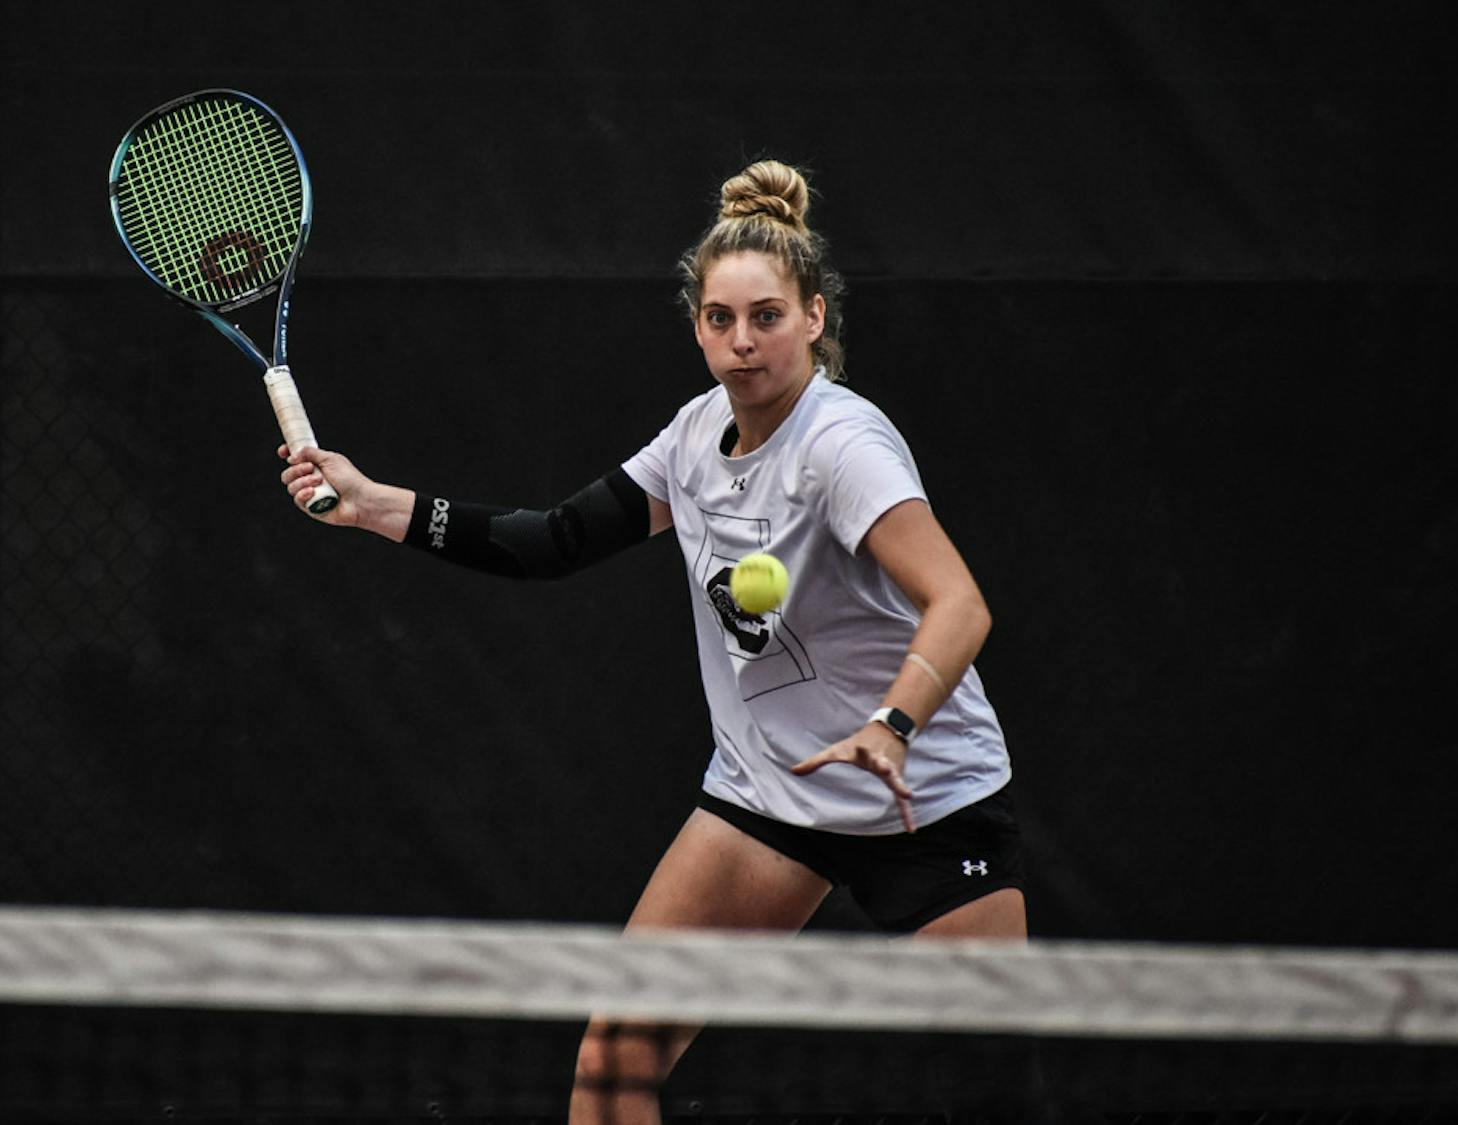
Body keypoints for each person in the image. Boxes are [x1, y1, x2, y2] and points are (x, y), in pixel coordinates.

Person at [279, 159, 1026, 1125]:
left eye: (766, 316)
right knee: (618, 1056)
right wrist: (380, 506)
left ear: (813, 318)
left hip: (924, 801)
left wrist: (893, 722)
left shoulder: (844, 446)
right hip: (771, 794)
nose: (742, 342)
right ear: (696, 324)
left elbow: (960, 604)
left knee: (992, 1087)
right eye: (720, 318)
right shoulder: (693, 436)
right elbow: (551, 542)